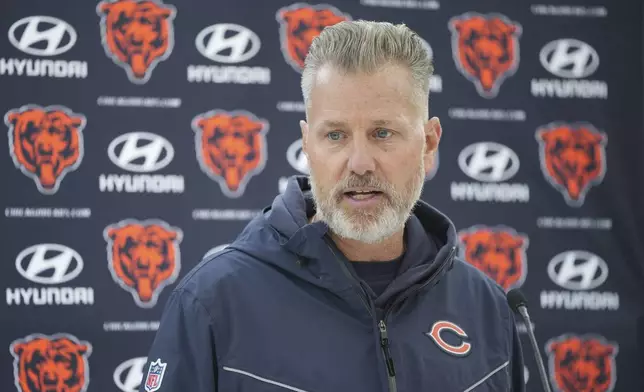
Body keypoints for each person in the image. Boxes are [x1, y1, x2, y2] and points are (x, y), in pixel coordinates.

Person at [139, 20, 525, 392]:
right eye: (335, 135)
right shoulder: (212, 303)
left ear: (428, 143)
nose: (359, 163)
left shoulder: (487, 310)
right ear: (307, 144)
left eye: (383, 133)